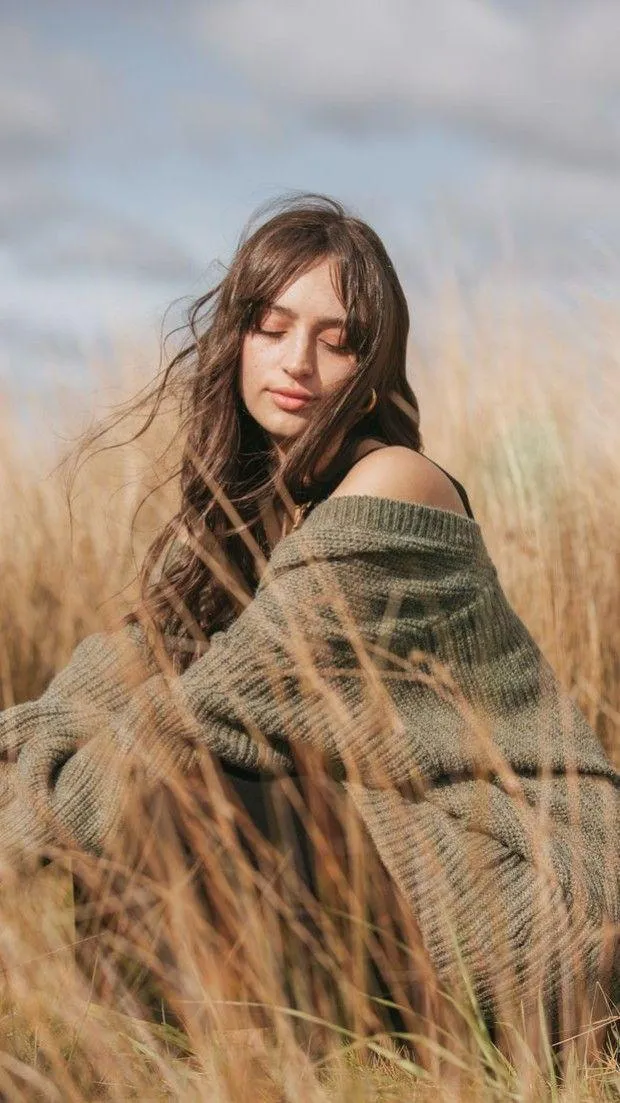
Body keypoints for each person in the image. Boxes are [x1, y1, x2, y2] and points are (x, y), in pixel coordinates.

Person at [0, 193, 617, 1056]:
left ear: (374, 367)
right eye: (273, 326)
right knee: (140, 791)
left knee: (176, 790)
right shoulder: (254, 513)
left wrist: (29, 820)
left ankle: (214, 1052)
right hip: (410, 853)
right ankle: (185, 1056)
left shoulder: (393, 485)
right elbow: (121, 669)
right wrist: (37, 748)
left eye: (339, 340)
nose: (299, 362)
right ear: (237, 338)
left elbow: (213, 709)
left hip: (534, 888)